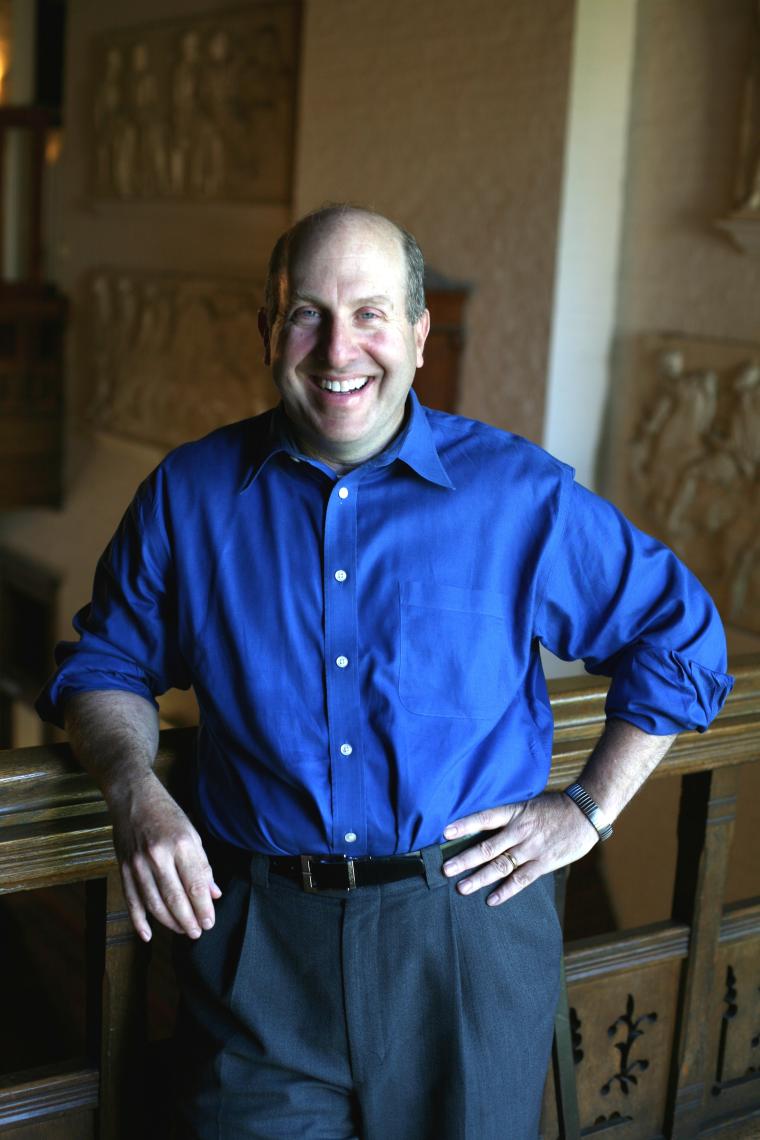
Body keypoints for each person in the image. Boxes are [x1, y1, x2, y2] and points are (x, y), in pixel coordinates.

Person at [37, 205, 732, 1139]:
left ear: (418, 333)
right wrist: (134, 791)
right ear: (268, 331)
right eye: (307, 314)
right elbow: (106, 664)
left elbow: (680, 637)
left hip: (466, 939)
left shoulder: (517, 494)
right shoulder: (187, 494)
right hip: (257, 948)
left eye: (370, 314)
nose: (339, 350)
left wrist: (588, 809)